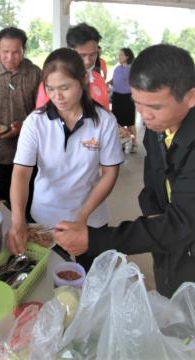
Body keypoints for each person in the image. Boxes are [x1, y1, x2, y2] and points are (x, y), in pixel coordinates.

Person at [54, 44, 195, 298]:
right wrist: (154, 220)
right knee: (168, 294)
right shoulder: (158, 128)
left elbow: (182, 222)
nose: (145, 116)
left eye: (155, 107)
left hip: (188, 249)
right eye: (137, 104)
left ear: (191, 97)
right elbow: (153, 183)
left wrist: (95, 240)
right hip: (166, 241)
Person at [7, 48, 123, 272]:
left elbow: (110, 173)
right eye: (50, 89)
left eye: (65, 88)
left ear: (82, 82)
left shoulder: (104, 121)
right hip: (44, 218)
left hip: (90, 218)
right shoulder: (35, 122)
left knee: (92, 278)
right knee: (48, 279)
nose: (57, 97)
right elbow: (21, 173)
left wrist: (81, 217)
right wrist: (17, 220)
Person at [0, 27, 41, 202]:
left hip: (29, 149)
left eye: (16, 52)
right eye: (5, 52)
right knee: (2, 199)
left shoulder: (35, 74)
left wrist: (24, 125)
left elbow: (42, 109)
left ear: (24, 50)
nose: (10, 57)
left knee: (29, 198)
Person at [35, 23, 110, 111]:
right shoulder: (52, 84)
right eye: (82, 55)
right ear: (70, 52)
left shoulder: (99, 80)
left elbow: (106, 111)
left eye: (93, 55)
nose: (88, 61)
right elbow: (41, 118)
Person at [107, 47, 137, 152]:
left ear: (127, 56)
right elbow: (114, 81)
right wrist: (107, 84)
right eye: (118, 55)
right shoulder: (117, 68)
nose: (119, 57)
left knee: (129, 122)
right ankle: (121, 142)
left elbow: (136, 85)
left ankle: (133, 143)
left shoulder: (133, 70)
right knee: (117, 121)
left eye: (121, 55)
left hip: (128, 98)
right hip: (116, 97)